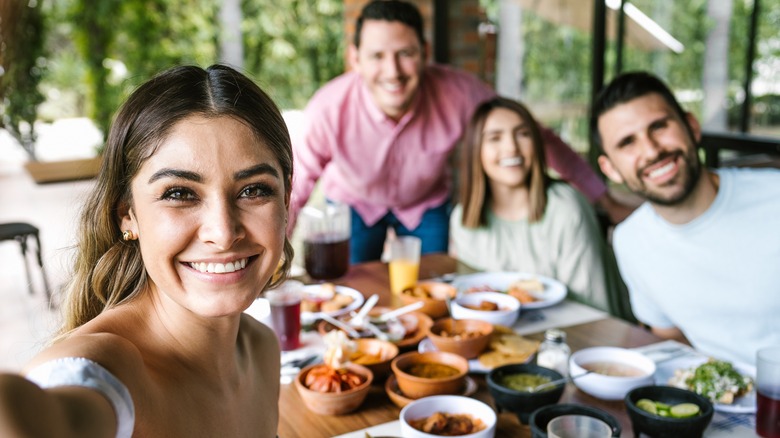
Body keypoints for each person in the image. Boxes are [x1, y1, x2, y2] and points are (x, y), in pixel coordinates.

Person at [0, 64, 293, 437]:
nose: (222, 233)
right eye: (179, 194)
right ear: (128, 215)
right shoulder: (107, 370)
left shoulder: (261, 347)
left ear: (287, 196)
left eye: (254, 190)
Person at [290, 0, 633, 264]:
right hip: (354, 203)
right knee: (350, 292)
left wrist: (604, 200)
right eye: (377, 56)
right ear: (356, 59)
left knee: (433, 291)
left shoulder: (459, 93)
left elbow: (535, 135)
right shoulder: (328, 107)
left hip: (426, 206)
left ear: (424, 53)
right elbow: (297, 183)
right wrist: (275, 251)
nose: (392, 71)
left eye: (405, 54)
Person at [592, 71, 780, 365]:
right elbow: (671, 341)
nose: (652, 150)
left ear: (691, 127)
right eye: (627, 142)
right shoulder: (629, 241)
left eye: (659, 126)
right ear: (611, 169)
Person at [450, 97, 633, 319]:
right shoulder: (463, 219)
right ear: (475, 150)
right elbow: (476, 302)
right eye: (495, 138)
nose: (511, 147)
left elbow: (595, 310)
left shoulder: (566, 208)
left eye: (523, 134)